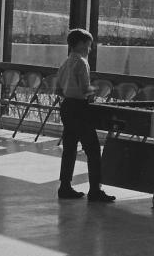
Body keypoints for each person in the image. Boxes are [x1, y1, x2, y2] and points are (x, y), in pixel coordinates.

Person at [57, 28, 115, 203]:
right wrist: (100, 90)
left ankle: (65, 186)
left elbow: (58, 89)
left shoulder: (65, 63)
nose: (90, 49)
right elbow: (85, 89)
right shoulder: (82, 63)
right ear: (81, 44)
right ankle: (95, 190)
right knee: (93, 149)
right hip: (79, 108)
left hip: (66, 106)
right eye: (89, 45)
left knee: (69, 148)